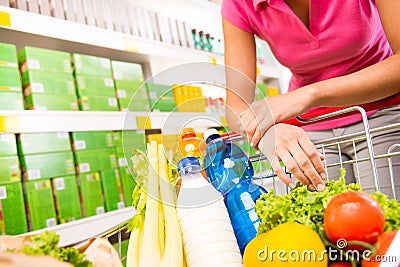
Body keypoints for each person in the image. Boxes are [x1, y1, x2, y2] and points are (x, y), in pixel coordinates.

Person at [222, 0, 400, 197]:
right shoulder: (239, 4)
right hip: (310, 128)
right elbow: (235, 105)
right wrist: (268, 130)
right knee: (324, 221)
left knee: (387, 216)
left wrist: (307, 95)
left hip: (381, 114)